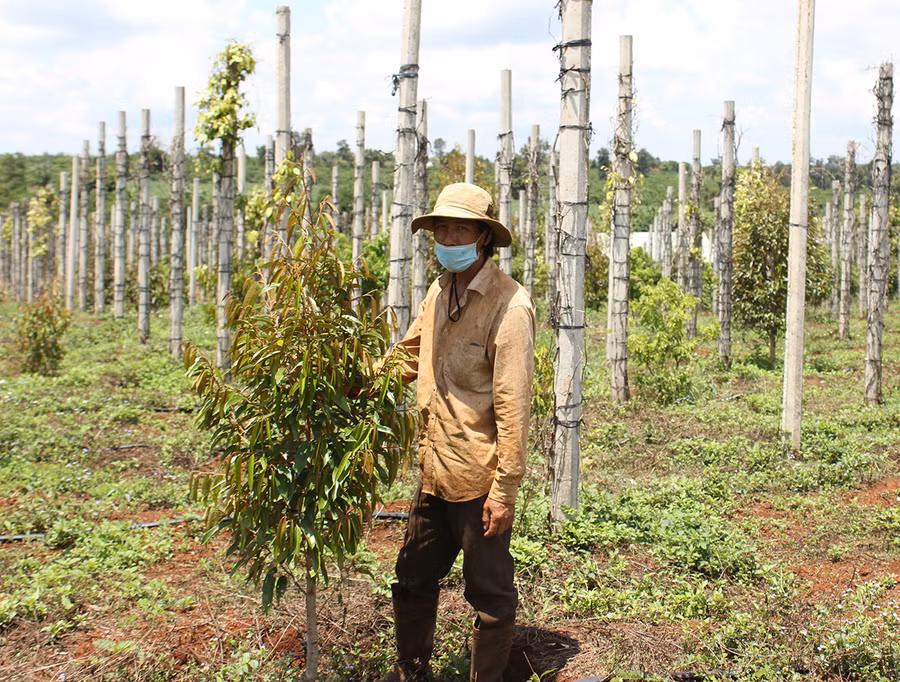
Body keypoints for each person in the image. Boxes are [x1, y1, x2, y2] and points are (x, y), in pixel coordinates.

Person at [377, 183, 535, 682]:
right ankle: (412, 672)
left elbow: (513, 405)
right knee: (412, 579)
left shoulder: (510, 308)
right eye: (440, 228)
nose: (447, 237)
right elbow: (405, 356)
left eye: (460, 228)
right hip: (434, 468)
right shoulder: (438, 291)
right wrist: (347, 378)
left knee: (489, 597)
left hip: (479, 479)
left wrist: (504, 490)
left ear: (484, 238)